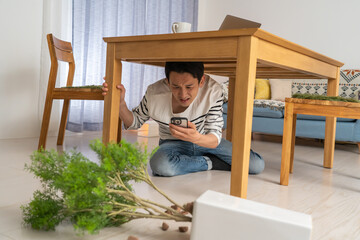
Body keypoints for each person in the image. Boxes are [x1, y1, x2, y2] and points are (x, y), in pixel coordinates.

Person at [102, 62, 264, 176]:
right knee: (160, 165)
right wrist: (121, 103)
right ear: (167, 82)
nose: (183, 94)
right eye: (175, 86)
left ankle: (196, 161)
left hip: (207, 141)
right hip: (172, 144)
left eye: (189, 87)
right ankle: (210, 163)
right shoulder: (154, 93)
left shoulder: (213, 91)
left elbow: (214, 138)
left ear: (201, 81)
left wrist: (197, 137)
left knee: (256, 165)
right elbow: (134, 123)